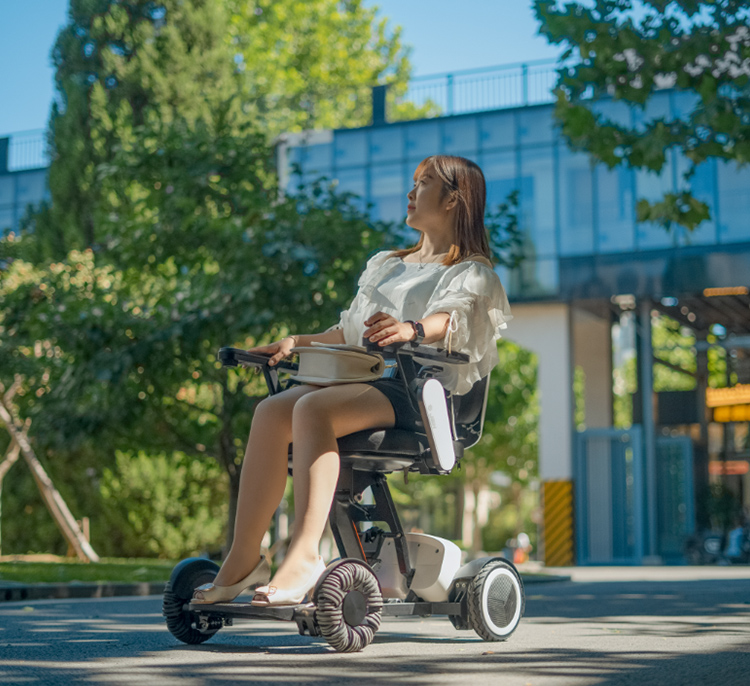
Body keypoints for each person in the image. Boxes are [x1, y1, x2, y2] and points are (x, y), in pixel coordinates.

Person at [192, 154, 512, 607]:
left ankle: (305, 556)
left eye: (423, 184)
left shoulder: (472, 273)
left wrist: (411, 329)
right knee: (269, 411)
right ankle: (244, 560)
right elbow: (346, 332)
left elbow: (451, 318)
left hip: (417, 394)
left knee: (311, 408)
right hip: (361, 383)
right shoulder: (387, 265)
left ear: (454, 200)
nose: (410, 192)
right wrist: (293, 342)